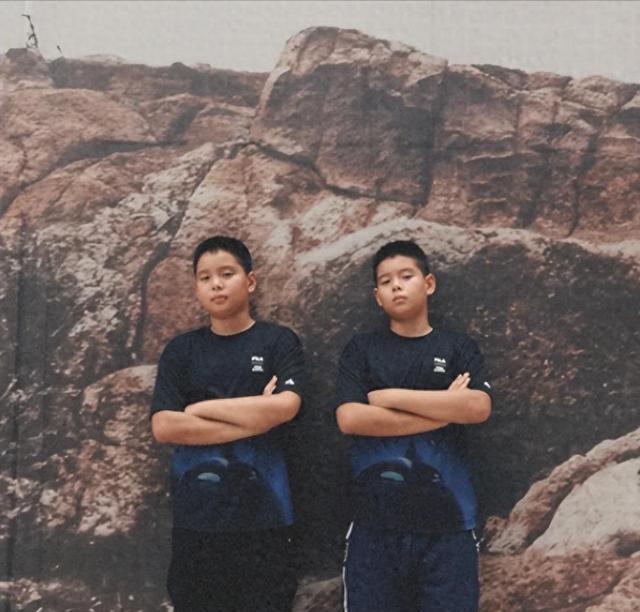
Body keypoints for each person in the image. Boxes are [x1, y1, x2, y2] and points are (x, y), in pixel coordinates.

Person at [335, 239, 493, 612]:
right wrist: (446, 408)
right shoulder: (361, 349)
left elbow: (478, 407)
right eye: (386, 281)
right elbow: (351, 418)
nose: (397, 286)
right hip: (375, 526)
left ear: (429, 283)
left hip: (449, 526)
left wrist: (388, 396)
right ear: (377, 296)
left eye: (406, 276)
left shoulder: (457, 346)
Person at [150, 236, 304, 612]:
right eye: (205, 278)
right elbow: (165, 426)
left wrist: (199, 410)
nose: (216, 284)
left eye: (226, 274)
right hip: (197, 521)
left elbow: (287, 406)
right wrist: (258, 418)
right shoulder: (182, 351)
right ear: (195, 287)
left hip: (266, 518)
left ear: (250, 281)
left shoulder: (278, 341)